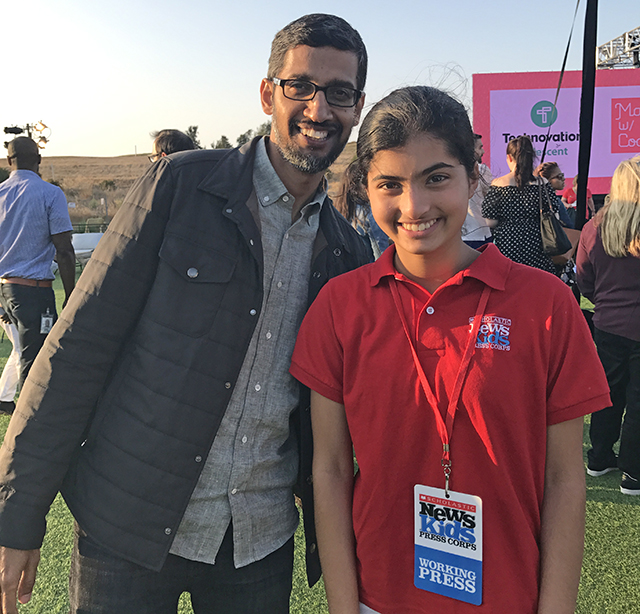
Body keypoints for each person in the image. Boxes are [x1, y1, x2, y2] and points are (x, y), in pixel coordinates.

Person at [0, 13, 371, 614]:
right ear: (267, 92)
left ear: (357, 107)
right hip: (126, 526)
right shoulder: (177, 187)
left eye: (339, 93)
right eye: (301, 85)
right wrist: (18, 513)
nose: (318, 108)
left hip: (257, 544)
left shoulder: (345, 253)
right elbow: (77, 348)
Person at [290, 86, 610, 613]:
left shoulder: (546, 304)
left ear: (474, 178)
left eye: (436, 177)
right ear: (366, 190)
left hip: (512, 597)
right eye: (389, 184)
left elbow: (564, 479)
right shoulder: (339, 306)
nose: (414, 206)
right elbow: (328, 469)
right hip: (379, 598)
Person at [576, 155, 640, 495]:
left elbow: (584, 279)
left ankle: (599, 458)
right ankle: (634, 473)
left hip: (608, 324)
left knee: (608, 395)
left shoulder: (595, 226)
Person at [0, 137, 75, 390]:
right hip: (33, 291)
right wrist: (71, 293)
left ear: (9, 161)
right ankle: (29, 424)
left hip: (5, 291)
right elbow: (64, 250)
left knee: (23, 355)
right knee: (38, 364)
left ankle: (12, 403)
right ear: (39, 159)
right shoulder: (50, 194)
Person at [482, 136, 560, 274]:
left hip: (508, 246)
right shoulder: (543, 184)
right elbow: (556, 216)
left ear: (509, 158)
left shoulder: (498, 184)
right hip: (539, 246)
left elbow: (490, 221)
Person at [461, 134, 493, 248]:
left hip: (459, 236)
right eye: (479, 147)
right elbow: (492, 199)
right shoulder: (482, 170)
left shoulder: (452, 171)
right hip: (480, 233)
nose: (483, 151)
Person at [535, 161, 574, 228]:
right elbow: (568, 226)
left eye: (562, 175)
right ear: (546, 180)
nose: (563, 179)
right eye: (559, 176)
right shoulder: (556, 201)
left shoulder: (533, 199)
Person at [0, 307, 20, 414]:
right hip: (8, 307)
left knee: (19, 350)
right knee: (21, 350)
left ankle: (4, 399)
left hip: (21, 305)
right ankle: (27, 401)